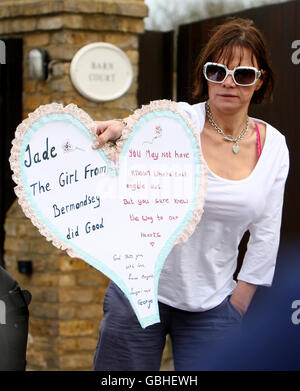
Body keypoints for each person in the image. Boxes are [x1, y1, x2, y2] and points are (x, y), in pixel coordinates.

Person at [92, 18, 289, 371]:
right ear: (205, 75)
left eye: (243, 74)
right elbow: (137, 126)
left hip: (213, 304)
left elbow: (267, 234)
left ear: (260, 81)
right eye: (218, 71)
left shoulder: (274, 146)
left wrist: (238, 304)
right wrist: (118, 128)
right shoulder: (179, 120)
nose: (228, 82)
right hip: (139, 291)